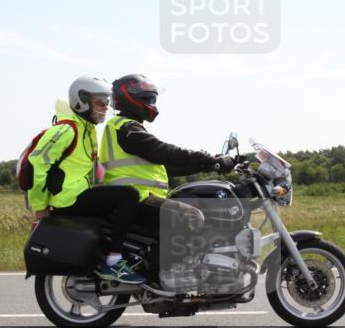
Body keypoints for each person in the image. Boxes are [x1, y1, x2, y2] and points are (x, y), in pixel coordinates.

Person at [28, 76, 145, 284]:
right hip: (68, 198)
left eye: (107, 102)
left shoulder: (87, 130)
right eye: (100, 102)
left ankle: (126, 256)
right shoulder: (66, 130)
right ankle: (114, 262)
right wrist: (39, 207)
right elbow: (38, 165)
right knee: (129, 195)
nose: (105, 107)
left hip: (80, 194)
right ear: (82, 101)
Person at [100, 74, 235, 230]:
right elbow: (163, 151)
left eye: (153, 100)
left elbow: (167, 166)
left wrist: (208, 165)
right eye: (149, 99)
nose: (152, 104)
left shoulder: (127, 128)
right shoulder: (124, 128)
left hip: (141, 196)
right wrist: (207, 158)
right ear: (133, 98)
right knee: (192, 216)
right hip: (134, 198)